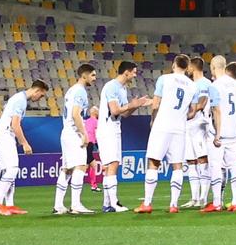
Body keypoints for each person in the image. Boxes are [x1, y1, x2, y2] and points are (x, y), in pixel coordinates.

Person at [140, 54, 195, 214]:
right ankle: (173, 205)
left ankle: (147, 203)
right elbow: (191, 111)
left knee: (153, 163)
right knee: (177, 166)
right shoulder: (192, 86)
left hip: (162, 125)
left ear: (174, 65)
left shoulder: (165, 79)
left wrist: (152, 120)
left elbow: (155, 104)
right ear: (187, 67)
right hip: (179, 128)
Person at [97, 60, 154, 212]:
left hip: (115, 128)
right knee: (113, 163)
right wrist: (132, 104)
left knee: (111, 164)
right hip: (107, 127)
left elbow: (125, 113)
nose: (135, 75)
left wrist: (137, 105)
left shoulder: (122, 89)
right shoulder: (111, 87)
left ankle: (108, 204)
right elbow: (115, 110)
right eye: (134, 72)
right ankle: (113, 203)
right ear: (126, 72)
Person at [0, 79, 47, 216]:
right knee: (13, 169)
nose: (40, 98)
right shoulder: (20, 100)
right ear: (37, 90)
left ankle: (9, 205)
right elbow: (15, 124)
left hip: (4, 135)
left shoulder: (19, 98)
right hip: (5, 135)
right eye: (42, 95)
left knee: (9, 170)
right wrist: (24, 143)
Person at [55, 62, 98, 214]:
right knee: (80, 166)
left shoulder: (71, 91)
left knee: (66, 170)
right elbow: (75, 114)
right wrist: (84, 134)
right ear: (84, 75)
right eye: (92, 75)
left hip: (66, 132)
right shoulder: (80, 91)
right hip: (74, 133)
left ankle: (58, 206)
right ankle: (76, 205)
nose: (95, 78)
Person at [210, 58, 236, 211]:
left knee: (216, 167)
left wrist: (217, 134)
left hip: (222, 132)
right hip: (234, 131)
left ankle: (217, 203)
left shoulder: (215, 86)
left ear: (214, 67)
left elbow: (216, 110)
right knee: (234, 166)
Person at [183, 58, 218, 212]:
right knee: (191, 161)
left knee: (202, 159)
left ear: (192, 67)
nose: (187, 70)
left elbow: (202, 102)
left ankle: (203, 197)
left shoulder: (204, 83)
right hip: (189, 126)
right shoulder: (190, 84)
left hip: (200, 125)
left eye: (188, 67)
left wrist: (189, 114)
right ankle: (194, 198)